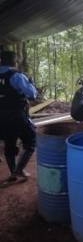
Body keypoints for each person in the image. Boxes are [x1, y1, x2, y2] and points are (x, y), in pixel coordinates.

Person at [0, 51, 37, 187]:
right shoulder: (16, 76)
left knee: (9, 144)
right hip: (16, 114)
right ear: (14, 62)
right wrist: (31, 83)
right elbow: (32, 94)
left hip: (1, 116)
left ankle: (13, 172)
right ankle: (18, 170)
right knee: (31, 140)